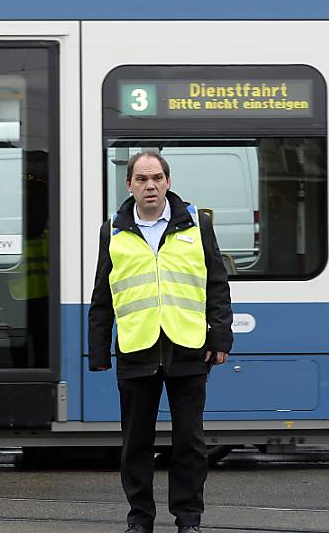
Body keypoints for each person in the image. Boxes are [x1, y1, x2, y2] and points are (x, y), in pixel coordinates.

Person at [88, 150, 233, 533]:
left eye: (156, 178)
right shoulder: (113, 231)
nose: (150, 185)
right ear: (129, 185)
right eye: (141, 179)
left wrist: (220, 337)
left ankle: (189, 521)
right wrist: (99, 350)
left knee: (190, 443)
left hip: (187, 348)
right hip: (136, 351)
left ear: (168, 182)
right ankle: (140, 519)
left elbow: (217, 285)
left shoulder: (196, 225)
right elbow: (102, 294)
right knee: (135, 445)